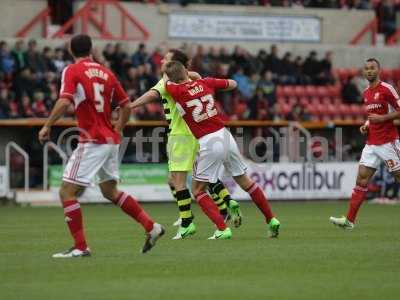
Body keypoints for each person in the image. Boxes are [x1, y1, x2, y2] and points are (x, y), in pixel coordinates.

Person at [38, 34, 164, 257]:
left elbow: (65, 100)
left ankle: (80, 247)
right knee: (110, 191)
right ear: (91, 49)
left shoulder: (72, 70)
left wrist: (47, 124)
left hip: (92, 139)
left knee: (67, 191)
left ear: (70, 49)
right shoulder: (106, 72)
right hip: (110, 140)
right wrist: (118, 128)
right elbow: (125, 106)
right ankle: (151, 227)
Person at [129, 49, 242, 240]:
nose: (162, 60)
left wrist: (130, 105)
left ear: (174, 64)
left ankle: (187, 222)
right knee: (204, 177)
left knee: (178, 182)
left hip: (179, 136)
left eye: (166, 58)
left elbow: (152, 94)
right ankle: (226, 203)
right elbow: (204, 80)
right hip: (199, 134)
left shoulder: (167, 82)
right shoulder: (193, 77)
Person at [164, 61, 281, 240]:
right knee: (246, 182)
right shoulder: (207, 82)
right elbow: (233, 84)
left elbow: (166, 80)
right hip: (225, 135)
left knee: (198, 190)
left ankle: (222, 228)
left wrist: (183, 77)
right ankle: (271, 219)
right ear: (186, 71)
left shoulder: (176, 90)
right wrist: (197, 78)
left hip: (208, 141)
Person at [330, 58, 400, 229]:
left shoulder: (387, 89)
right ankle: (349, 221)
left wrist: (382, 118)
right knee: (361, 180)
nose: (369, 71)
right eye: (366, 68)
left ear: (379, 70)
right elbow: (372, 116)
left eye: (372, 68)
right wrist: (367, 125)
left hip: (388, 142)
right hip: (371, 144)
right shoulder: (366, 92)